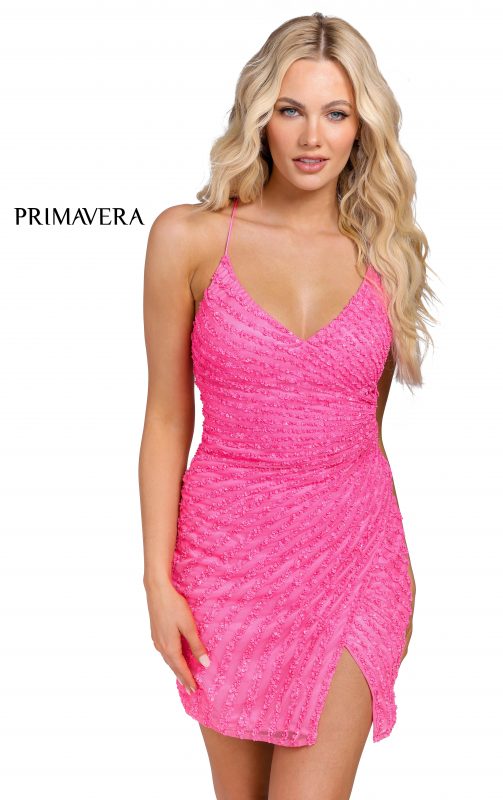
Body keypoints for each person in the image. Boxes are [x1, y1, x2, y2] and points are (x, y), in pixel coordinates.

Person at [139, 12, 437, 800]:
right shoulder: (188, 239)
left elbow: (364, 431)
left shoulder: (385, 256)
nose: (312, 137)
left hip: (355, 557)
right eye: (291, 110)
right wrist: (158, 583)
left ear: (362, 126)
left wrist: (395, 562)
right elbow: (167, 418)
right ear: (258, 116)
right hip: (226, 566)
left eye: (336, 113)